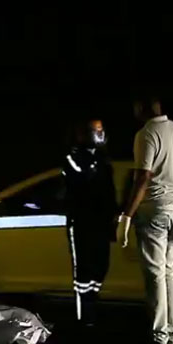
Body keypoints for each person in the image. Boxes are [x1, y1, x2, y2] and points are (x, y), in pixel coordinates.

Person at [118, 97, 173, 344]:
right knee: (170, 272)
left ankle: (159, 337)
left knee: (155, 275)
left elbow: (144, 177)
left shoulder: (146, 134)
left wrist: (127, 215)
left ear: (142, 108)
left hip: (154, 210)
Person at [62, 119, 117, 326]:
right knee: (83, 272)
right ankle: (84, 318)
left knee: (101, 265)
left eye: (101, 130)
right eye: (96, 131)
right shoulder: (74, 158)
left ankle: (92, 305)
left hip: (100, 222)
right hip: (82, 222)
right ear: (83, 134)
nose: (100, 135)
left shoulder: (103, 159)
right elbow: (84, 179)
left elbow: (108, 191)